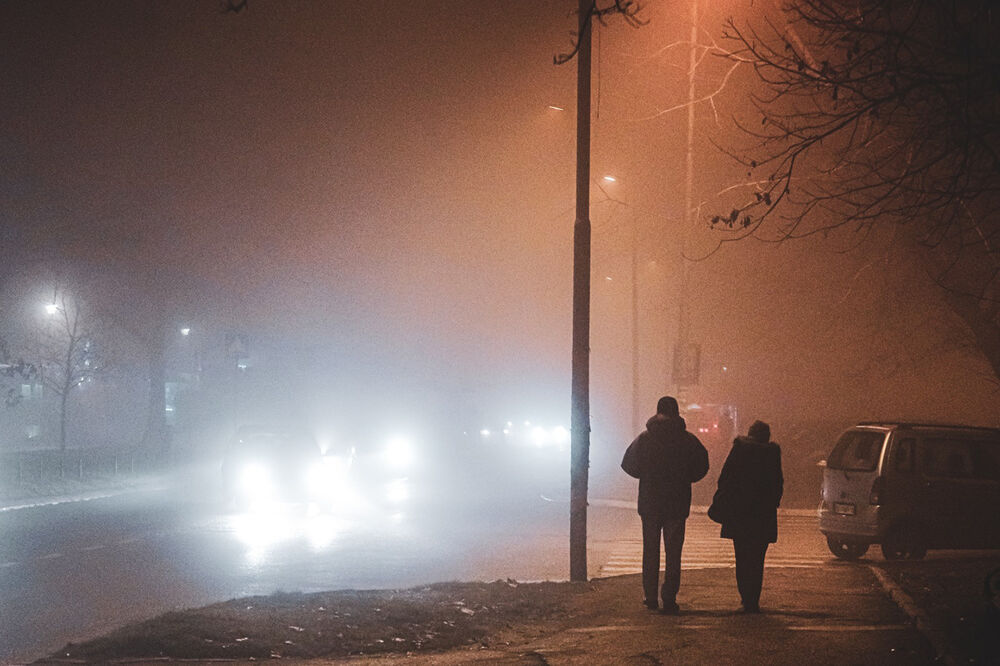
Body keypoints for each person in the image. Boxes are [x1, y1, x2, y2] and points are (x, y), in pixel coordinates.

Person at [621, 396, 709, 614]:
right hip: (677, 503)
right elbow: (702, 466)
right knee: (673, 553)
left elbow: (628, 465)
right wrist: (686, 477)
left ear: (657, 412)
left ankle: (650, 596)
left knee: (650, 551)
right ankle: (669, 597)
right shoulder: (688, 440)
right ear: (677, 413)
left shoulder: (645, 439)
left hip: (650, 502)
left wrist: (647, 475)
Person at [713, 419, 783, 613]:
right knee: (757, 559)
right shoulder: (772, 454)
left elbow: (724, 478)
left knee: (742, 557)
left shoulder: (740, 450)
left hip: (740, 513)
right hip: (763, 515)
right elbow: (778, 484)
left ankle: (745, 598)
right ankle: (754, 600)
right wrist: (772, 503)